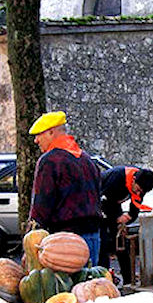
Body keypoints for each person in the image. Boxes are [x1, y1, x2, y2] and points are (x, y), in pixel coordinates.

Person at [27, 111, 101, 265]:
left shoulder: (49, 160)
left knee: (67, 288)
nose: (36, 140)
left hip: (65, 241)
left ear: (51, 132)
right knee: (90, 285)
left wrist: (31, 238)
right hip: (93, 235)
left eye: (39, 135)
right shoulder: (87, 159)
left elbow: (42, 204)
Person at [99, 166, 153, 285]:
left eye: (142, 192)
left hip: (114, 204)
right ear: (134, 180)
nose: (138, 193)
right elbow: (104, 201)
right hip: (100, 206)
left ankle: (128, 280)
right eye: (138, 189)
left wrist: (128, 217)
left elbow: (135, 205)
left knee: (122, 243)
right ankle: (103, 279)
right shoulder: (116, 178)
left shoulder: (141, 185)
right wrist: (115, 219)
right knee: (104, 244)